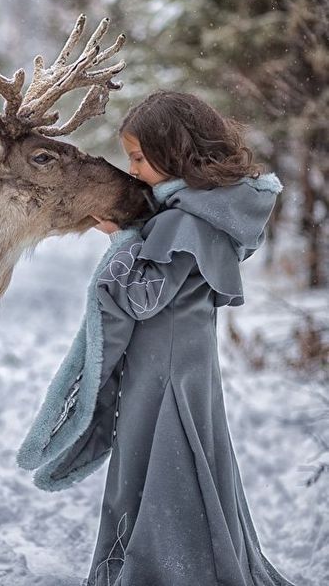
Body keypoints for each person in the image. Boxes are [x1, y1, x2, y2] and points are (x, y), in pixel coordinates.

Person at [16, 90, 297, 586]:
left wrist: (120, 238)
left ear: (177, 154)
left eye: (141, 158)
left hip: (162, 375)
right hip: (186, 367)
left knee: (159, 463)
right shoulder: (212, 211)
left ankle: (164, 568)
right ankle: (188, 558)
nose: (135, 170)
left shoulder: (187, 221)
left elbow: (143, 296)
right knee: (186, 461)